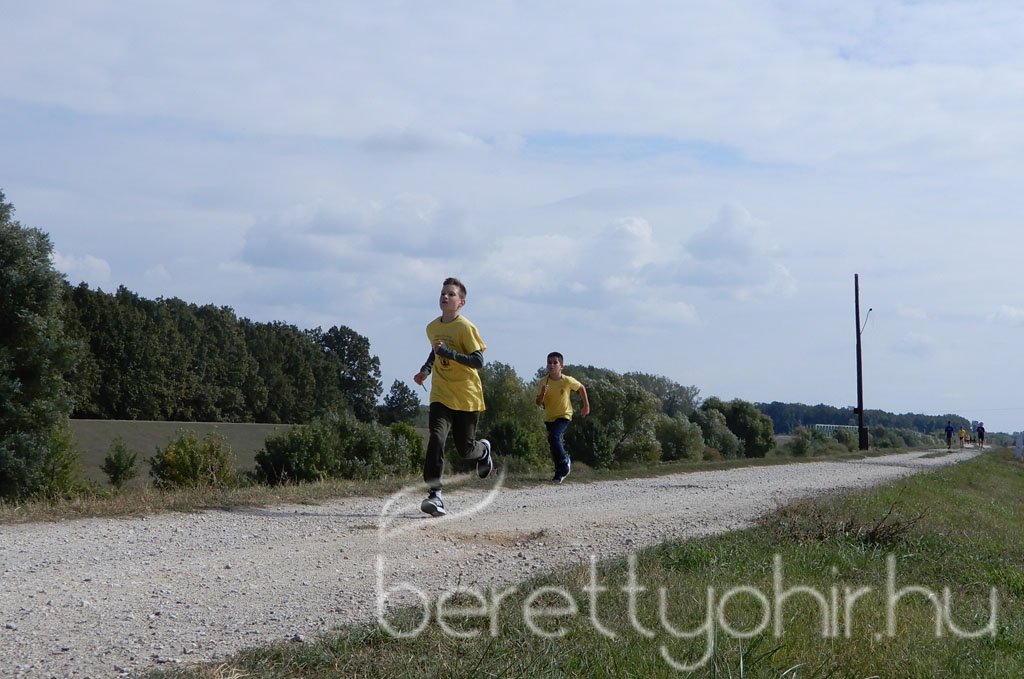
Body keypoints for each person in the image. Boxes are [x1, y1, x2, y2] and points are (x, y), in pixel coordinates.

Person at [413, 277, 493, 517]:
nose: (445, 297)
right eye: (442, 293)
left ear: (461, 303)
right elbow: (435, 352)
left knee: (465, 449)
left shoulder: (465, 328)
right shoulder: (432, 327)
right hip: (441, 393)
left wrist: (449, 352)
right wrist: (425, 371)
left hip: (466, 395)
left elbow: (478, 361)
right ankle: (435, 494)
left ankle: (484, 451)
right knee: (436, 438)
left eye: (451, 294)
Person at [535, 352, 590, 483]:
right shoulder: (543, 382)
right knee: (553, 443)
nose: (552, 365)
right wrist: (542, 394)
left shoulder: (566, 380)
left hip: (564, 415)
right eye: (549, 362)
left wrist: (586, 405)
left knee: (553, 437)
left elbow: (581, 388)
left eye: (555, 363)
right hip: (550, 416)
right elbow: (538, 403)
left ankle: (565, 463)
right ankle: (559, 473)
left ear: (561, 366)